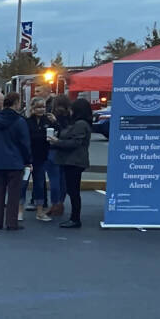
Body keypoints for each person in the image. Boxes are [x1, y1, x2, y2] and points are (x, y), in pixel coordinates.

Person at [0, 92, 32, 231]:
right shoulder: (19, 121)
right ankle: (12, 223)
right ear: (16, 103)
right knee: (14, 194)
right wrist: (28, 160)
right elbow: (24, 143)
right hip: (15, 162)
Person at [48, 98, 92, 228]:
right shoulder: (80, 123)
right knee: (72, 190)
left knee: (73, 191)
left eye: (72, 109)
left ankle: (75, 218)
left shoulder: (80, 124)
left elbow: (75, 143)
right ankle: (74, 217)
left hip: (74, 161)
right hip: (73, 161)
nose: (70, 111)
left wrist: (57, 142)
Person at [23, 97, 55, 222]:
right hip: (27, 158)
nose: (41, 109)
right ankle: (19, 210)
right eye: (38, 107)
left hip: (41, 157)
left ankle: (40, 211)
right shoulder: (27, 121)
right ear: (32, 108)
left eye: (43, 107)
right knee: (23, 183)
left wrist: (55, 122)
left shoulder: (48, 121)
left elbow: (57, 132)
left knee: (40, 184)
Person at [44, 94, 73, 218]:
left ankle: (55, 203)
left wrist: (54, 122)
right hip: (65, 151)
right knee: (62, 179)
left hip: (53, 149)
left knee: (54, 179)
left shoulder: (53, 117)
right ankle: (60, 203)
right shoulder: (71, 117)